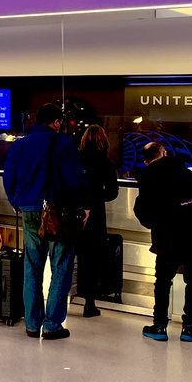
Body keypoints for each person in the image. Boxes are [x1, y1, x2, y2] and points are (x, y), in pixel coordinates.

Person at [1, 103, 88, 341]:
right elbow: (74, 180)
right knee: (61, 267)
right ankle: (51, 325)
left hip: (28, 211)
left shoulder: (20, 145)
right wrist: (83, 206)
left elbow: (8, 177)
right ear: (57, 122)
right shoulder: (62, 143)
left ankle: (31, 323)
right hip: (58, 212)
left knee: (32, 266)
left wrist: (17, 201)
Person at [133, 142, 192, 343]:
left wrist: (157, 225)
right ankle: (190, 327)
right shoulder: (187, 173)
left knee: (162, 281)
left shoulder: (148, 177)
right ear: (164, 153)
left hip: (167, 237)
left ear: (147, 160)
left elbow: (142, 211)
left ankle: (159, 326)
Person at [75, 125, 119, 318]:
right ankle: (89, 303)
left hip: (71, 212)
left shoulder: (75, 158)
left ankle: (59, 298)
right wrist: (96, 196)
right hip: (95, 216)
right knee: (90, 259)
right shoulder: (106, 163)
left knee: (68, 255)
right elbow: (112, 192)